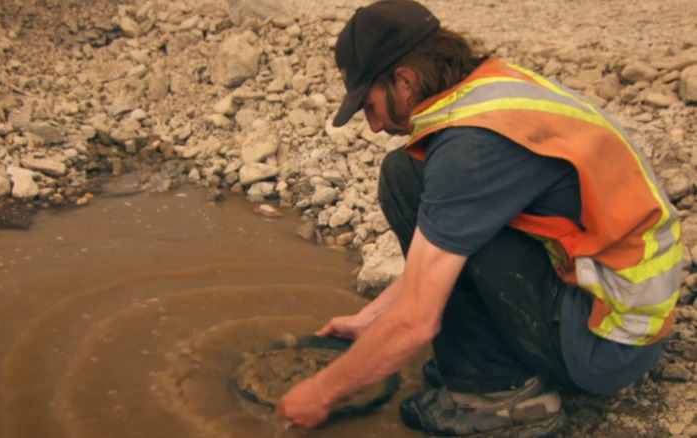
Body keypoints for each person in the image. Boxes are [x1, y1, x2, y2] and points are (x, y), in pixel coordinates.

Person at [275, 0, 684, 436]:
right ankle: (490, 360)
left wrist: (321, 391)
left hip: (606, 345)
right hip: (610, 302)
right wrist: (370, 318)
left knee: (411, 183)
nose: (374, 126)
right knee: (408, 174)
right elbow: (446, 246)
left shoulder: (471, 148)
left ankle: (501, 399)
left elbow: (417, 320)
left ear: (405, 79)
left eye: (370, 106)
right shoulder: (492, 89)